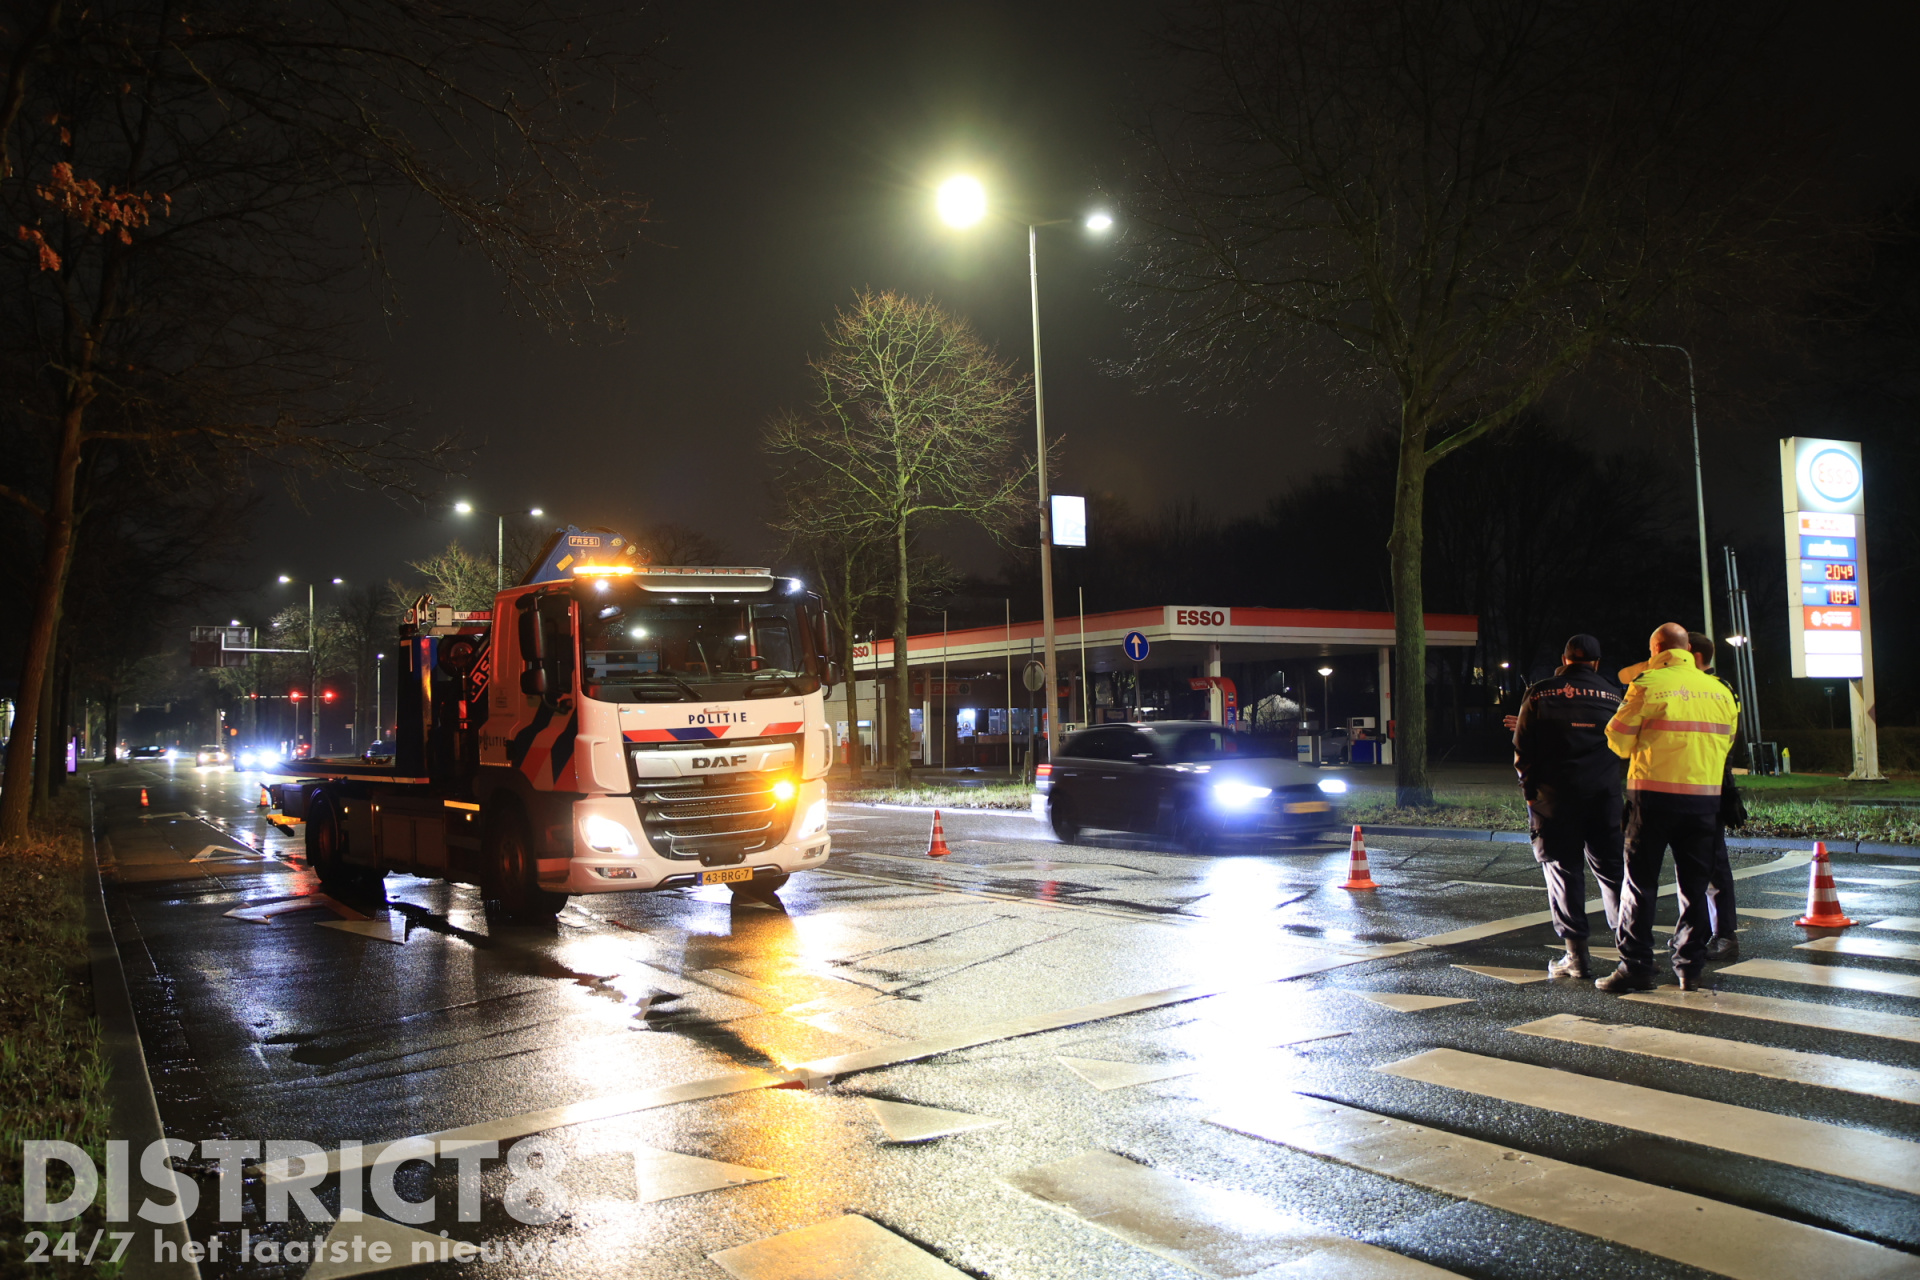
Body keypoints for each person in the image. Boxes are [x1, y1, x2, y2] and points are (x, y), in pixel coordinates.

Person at [1597, 622, 1741, 993]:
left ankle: (1636, 967)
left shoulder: (1647, 684)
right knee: (1695, 888)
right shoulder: (1721, 691)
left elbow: (1618, 741)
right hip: (1704, 802)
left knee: (1639, 885)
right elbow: (1726, 745)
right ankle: (1689, 968)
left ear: (1657, 649)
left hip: (1653, 800)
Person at [1512, 634, 1625, 978]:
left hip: (1555, 799)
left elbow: (1522, 749)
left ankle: (1577, 957)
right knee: (1613, 875)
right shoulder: (1614, 695)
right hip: (1604, 797)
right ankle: (1630, 952)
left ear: (1564, 659)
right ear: (1596, 663)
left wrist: (1530, 794)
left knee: (1563, 873)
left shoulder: (1539, 693)